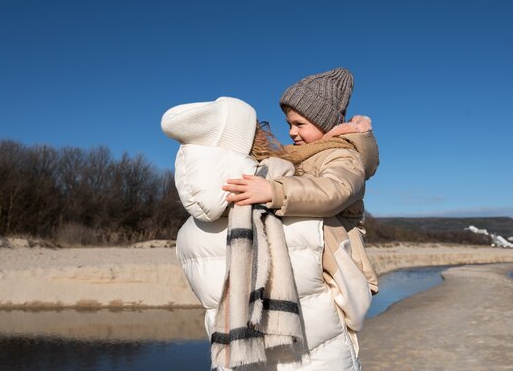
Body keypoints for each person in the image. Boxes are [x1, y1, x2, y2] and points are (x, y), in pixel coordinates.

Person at [161, 96, 366, 370]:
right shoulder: (301, 214)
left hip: (237, 360)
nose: (273, 134)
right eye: (260, 128)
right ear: (246, 141)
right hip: (317, 358)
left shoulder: (187, 233)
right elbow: (355, 299)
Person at [223, 68, 380, 341]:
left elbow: (335, 191)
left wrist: (273, 191)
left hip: (337, 267)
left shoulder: (343, 157)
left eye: (299, 124)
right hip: (311, 259)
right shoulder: (305, 155)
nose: (292, 132)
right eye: (288, 124)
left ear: (324, 121)